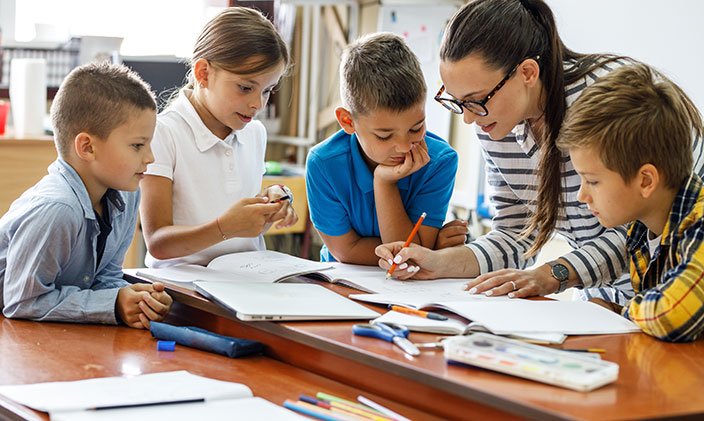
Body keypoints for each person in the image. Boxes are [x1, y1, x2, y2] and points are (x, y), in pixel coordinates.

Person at [377, 0, 703, 304]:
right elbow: (517, 233)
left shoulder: (607, 106)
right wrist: (439, 263)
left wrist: (554, 274)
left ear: (528, 73)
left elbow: (642, 228)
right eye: (458, 102)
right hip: (604, 306)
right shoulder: (496, 122)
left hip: (674, 293)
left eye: (476, 100)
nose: (469, 118)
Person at [0, 62, 172, 328]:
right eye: (137, 145)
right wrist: (111, 304)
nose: (150, 158)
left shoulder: (127, 196)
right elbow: (21, 300)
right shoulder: (58, 209)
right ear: (87, 147)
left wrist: (134, 300)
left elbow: (106, 276)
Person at [556, 63, 704, 342]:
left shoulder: (700, 224)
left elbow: (672, 314)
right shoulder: (641, 231)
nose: (582, 196)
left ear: (646, 181)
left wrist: (621, 312)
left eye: (593, 181)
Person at [140, 7, 297, 268]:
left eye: (268, 91)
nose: (257, 104)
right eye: (245, 88)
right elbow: (157, 242)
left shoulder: (255, 132)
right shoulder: (164, 132)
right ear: (204, 73)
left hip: (248, 277)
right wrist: (224, 227)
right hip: (184, 288)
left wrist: (269, 205)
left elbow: (239, 220)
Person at [306, 32, 458, 264]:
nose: (405, 146)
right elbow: (345, 251)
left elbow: (410, 258)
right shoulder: (324, 164)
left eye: (416, 128)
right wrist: (430, 247)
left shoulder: (439, 161)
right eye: (385, 136)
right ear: (348, 122)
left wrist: (384, 183)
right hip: (340, 284)